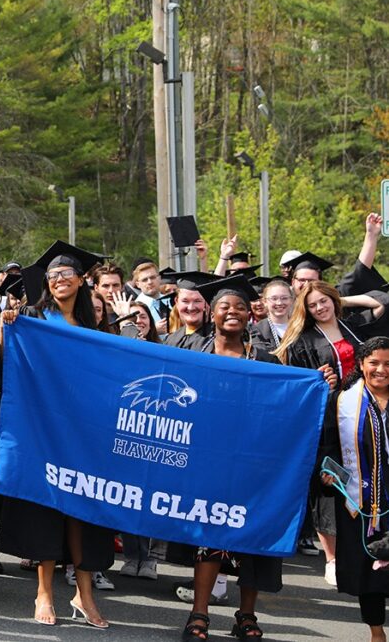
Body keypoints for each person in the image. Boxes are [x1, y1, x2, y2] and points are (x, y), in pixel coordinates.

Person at [0, 240, 115, 628]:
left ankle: (84, 594)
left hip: (85, 433)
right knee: (49, 509)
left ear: (82, 280)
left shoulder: (93, 328)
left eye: (67, 274)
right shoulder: (32, 318)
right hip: (45, 429)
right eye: (53, 275)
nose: (59, 279)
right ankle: (44, 591)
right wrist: (5, 327)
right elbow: (5, 355)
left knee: (82, 510)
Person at [177, 274, 289, 642]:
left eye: (240, 307)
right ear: (212, 311)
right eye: (225, 306)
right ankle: (200, 612)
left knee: (250, 538)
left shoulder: (266, 360)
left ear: (249, 315)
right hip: (204, 460)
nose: (233, 312)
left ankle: (246, 614)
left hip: (252, 463)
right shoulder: (193, 354)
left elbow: (283, 407)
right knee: (208, 535)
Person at [274, 281, 389, 582]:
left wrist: (342, 300)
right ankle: (332, 558)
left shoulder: (350, 326)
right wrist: (319, 380)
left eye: (324, 301)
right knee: (331, 483)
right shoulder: (302, 339)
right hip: (329, 418)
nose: (319, 308)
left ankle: (366, 546)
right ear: (306, 311)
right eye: (312, 305)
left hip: (365, 413)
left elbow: (380, 303)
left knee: (368, 478)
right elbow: (298, 381)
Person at [320, 336, 389, 642]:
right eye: (374, 363)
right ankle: (376, 632)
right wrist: (329, 472)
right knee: (369, 571)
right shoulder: (343, 400)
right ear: (361, 365)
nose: (381, 370)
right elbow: (330, 446)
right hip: (361, 500)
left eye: (388, 364)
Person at [250, 279, 294, 351]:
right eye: (274, 298)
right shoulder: (257, 331)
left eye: (284, 298)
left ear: (291, 300)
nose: (279, 303)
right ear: (265, 302)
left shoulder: (301, 327)